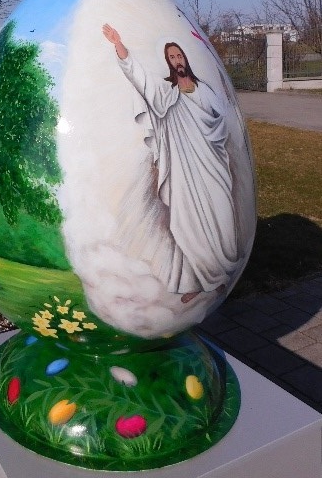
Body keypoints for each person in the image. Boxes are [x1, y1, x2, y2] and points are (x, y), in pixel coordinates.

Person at [101, 24, 239, 303]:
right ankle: (195, 282)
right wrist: (120, 45)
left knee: (219, 216)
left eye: (180, 56)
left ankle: (219, 275)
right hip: (184, 172)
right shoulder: (166, 94)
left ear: (186, 59)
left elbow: (223, 118)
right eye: (172, 58)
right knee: (186, 224)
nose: (177, 61)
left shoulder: (205, 90)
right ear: (168, 63)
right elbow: (140, 78)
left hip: (211, 167)